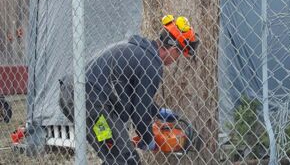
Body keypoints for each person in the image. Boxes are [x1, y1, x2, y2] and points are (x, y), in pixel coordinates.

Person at [59, 15, 199, 165]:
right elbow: (140, 113)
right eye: (178, 55)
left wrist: (158, 112)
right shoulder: (152, 64)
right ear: (173, 49)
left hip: (72, 94)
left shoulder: (137, 51)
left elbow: (136, 98)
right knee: (127, 159)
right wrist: (148, 139)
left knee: (113, 152)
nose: (175, 60)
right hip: (91, 103)